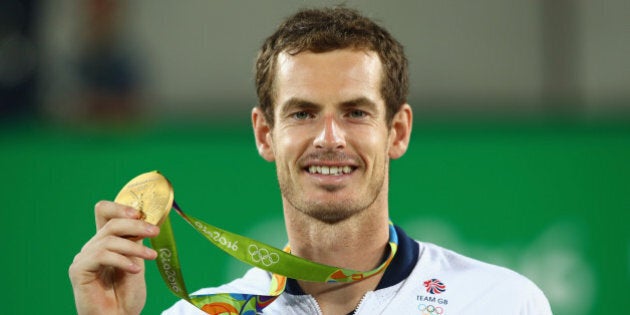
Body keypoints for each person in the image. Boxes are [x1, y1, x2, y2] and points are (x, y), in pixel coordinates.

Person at [69, 7, 553, 315]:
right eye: (302, 113)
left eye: (355, 112)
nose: (329, 138)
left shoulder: (503, 303)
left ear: (397, 131)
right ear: (265, 134)